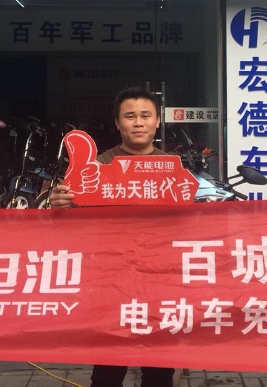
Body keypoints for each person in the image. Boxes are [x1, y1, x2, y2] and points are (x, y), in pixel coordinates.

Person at [48, 86, 175, 387]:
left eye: (146, 115)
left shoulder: (173, 166)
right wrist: (59, 206)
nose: (138, 123)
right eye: (130, 116)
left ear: (158, 121)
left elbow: (189, 224)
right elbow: (70, 224)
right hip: (111, 280)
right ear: (117, 123)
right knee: (108, 369)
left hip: (160, 279)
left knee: (159, 370)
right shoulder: (97, 166)